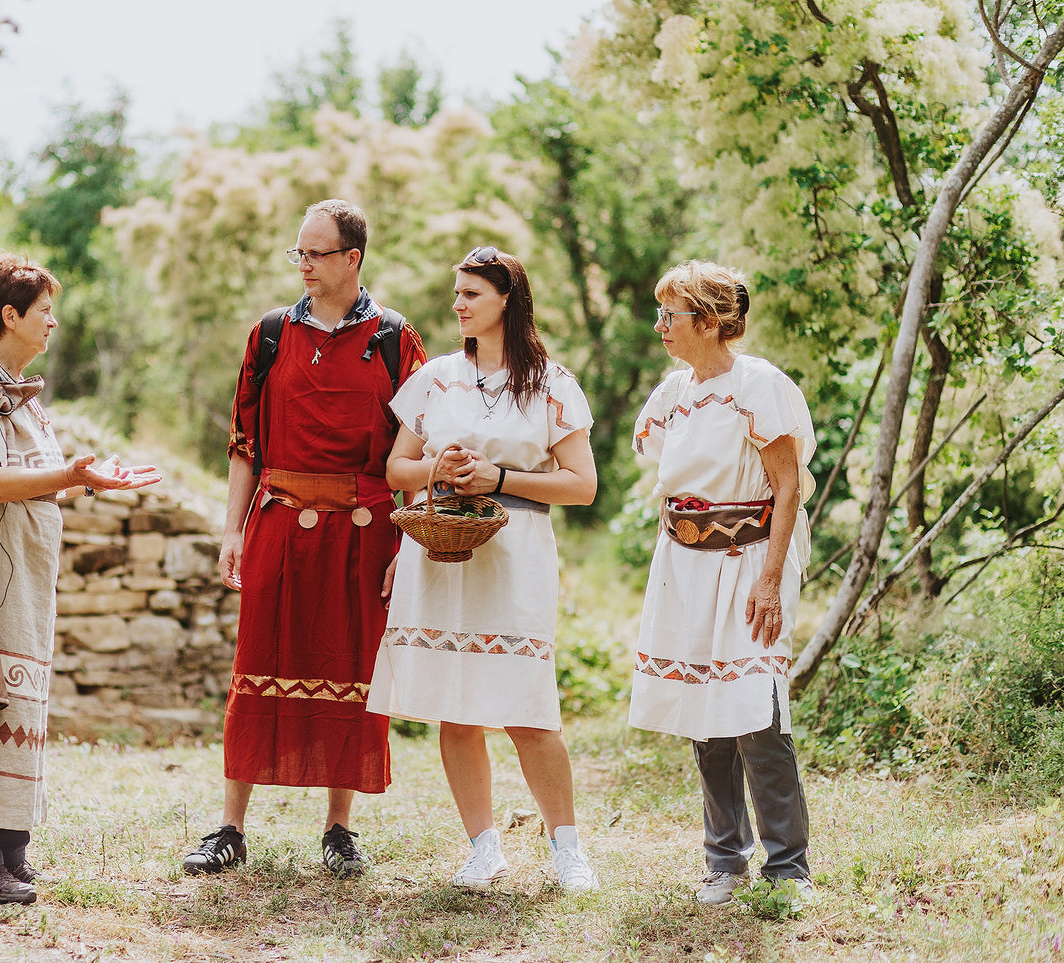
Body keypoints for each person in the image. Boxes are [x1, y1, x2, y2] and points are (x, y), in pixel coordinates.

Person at [0, 252, 160, 904]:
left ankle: (8, 851)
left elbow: (29, 481)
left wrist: (83, 480)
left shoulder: (10, 386)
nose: (53, 322)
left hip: (20, 582)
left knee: (16, 700)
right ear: (9, 314)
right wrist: (72, 475)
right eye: (44, 310)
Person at [181, 199, 426, 878]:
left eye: (316, 252)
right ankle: (230, 826)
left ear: (352, 259)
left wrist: (409, 542)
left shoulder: (394, 338)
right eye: (299, 252)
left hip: (364, 530)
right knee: (256, 664)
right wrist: (232, 529)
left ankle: (339, 828)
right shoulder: (267, 335)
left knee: (348, 671)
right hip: (279, 524)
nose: (304, 265)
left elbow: (418, 446)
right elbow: (243, 445)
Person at [368, 246, 601, 893]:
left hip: (515, 554)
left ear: (506, 299)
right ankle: (483, 847)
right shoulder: (436, 378)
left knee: (528, 711)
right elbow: (396, 470)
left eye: (470, 292)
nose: (457, 304)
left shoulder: (550, 383)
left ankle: (567, 850)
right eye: (456, 292)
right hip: (441, 555)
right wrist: (436, 470)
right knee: (455, 710)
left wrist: (497, 476)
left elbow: (581, 485)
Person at [627, 260, 817, 908]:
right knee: (703, 718)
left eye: (670, 316)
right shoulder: (673, 393)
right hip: (684, 565)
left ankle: (787, 867)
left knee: (754, 712)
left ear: (707, 322)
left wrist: (768, 580)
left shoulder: (756, 385)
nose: (660, 327)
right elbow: (666, 475)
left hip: (748, 561)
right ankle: (723, 860)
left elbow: (786, 486)